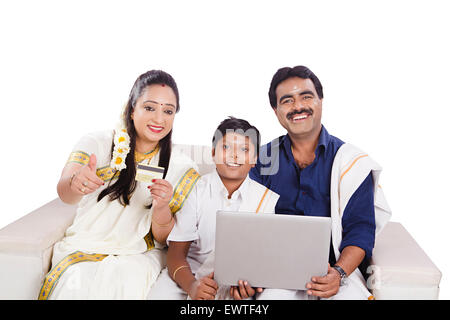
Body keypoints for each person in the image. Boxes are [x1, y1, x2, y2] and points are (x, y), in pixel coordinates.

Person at [38, 70, 200, 300]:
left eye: (168, 111)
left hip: (139, 253)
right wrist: (76, 183)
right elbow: (65, 194)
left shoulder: (181, 166)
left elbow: (165, 240)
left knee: (127, 278)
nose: (159, 119)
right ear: (132, 109)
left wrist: (162, 207)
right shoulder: (98, 142)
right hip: (87, 245)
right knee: (79, 282)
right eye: (150, 107)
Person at [250, 66, 392, 300]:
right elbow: (247, 224)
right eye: (287, 101)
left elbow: (360, 231)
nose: (298, 106)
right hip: (275, 274)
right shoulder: (261, 160)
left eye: (306, 96)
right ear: (275, 111)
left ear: (321, 101)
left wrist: (338, 273)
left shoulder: (351, 162)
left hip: (337, 272)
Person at [147, 117, 280, 300]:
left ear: (255, 158)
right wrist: (192, 286)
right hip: (188, 275)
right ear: (213, 153)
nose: (234, 156)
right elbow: (176, 255)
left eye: (244, 149)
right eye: (226, 147)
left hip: (237, 282)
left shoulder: (265, 200)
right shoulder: (195, 190)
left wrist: (248, 286)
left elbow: (262, 261)